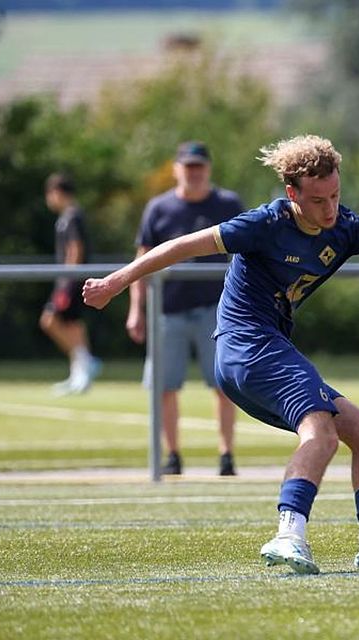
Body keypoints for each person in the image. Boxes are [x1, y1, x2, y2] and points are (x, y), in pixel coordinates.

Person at [83, 134, 359, 574]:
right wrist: (115, 282)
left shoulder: (346, 228)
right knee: (320, 433)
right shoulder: (264, 224)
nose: (330, 208)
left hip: (268, 347)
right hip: (246, 345)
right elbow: (179, 247)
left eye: (335, 195)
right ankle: (288, 535)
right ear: (292, 193)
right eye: (318, 200)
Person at [127, 141, 243, 477]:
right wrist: (136, 309)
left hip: (217, 310)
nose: (193, 173)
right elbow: (142, 260)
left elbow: (247, 255)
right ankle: (172, 454)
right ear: (177, 169)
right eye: (187, 166)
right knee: (165, 386)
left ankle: (226, 454)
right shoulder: (159, 208)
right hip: (168, 309)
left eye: (199, 166)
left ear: (208, 169)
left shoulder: (227, 203)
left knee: (224, 383)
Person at [39, 173, 101, 396]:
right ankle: (79, 373)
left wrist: (67, 282)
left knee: (49, 320)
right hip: (70, 280)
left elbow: (76, 249)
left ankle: (86, 362)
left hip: (71, 280)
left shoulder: (72, 216)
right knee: (73, 325)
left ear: (56, 192)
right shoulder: (67, 216)